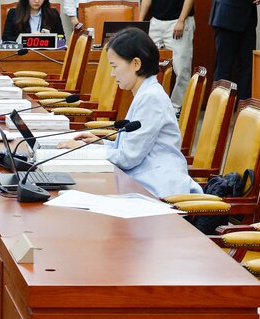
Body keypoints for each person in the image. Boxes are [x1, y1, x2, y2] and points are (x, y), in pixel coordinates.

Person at [62, 28, 199, 198]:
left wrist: (85, 150)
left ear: (136, 64)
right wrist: (99, 144)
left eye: (115, 66)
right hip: (141, 181)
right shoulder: (144, 92)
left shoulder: (151, 98)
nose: (112, 74)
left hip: (158, 188)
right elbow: (129, 148)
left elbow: (128, 157)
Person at [1, 0, 65, 41]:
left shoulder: (53, 14)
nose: (37, 0)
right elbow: (6, 39)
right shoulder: (14, 14)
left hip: (45, 51)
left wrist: (50, 37)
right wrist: (29, 38)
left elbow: (62, 39)